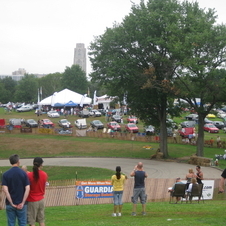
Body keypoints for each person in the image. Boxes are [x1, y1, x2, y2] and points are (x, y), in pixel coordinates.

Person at [1, 154, 30, 226]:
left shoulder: (5, 174)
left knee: (11, 223)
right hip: (21, 202)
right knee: (22, 222)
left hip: (10, 203)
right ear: (18, 161)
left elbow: (5, 189)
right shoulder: (24, 173)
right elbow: (27, 188)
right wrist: (23, 202)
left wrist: (11, 202)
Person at [27, 157, 48, 226]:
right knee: (41, 220)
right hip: (41, 199)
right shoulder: (44, 174)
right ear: (41, 164)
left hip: (32, 200)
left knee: (31, 221)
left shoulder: (29, 175)